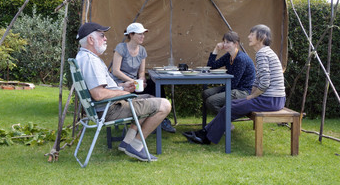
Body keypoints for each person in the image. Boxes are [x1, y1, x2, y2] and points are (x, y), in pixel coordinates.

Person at [75, 22, 171, 161]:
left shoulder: (83, 57)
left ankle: (127, 141)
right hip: (110, 109)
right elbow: (99, 94)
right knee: (165, 105)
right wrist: (123, 93)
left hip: (106, 106)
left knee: (147, 99)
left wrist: (122, 87)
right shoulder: (91, 61)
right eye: (102, 36)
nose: (106, 39)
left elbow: (102, 90)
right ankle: (136, 145)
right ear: (90, 40)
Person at [183, 24, 286, 145]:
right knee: (229, 105)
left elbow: (265, 82)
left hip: (270, 100)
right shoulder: (265, 52)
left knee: (229, 108)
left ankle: (206, 137)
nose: (248, 37)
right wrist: (251, 95)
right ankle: (204, 133)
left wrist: (251, 96)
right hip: (273, 99)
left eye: (252, 34)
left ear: (262, 37)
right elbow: (258, 80)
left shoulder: (262, 54)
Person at [110, 22, 176, 133]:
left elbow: (141, 72)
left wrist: (141, 79)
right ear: (131, 34)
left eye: (143, 34)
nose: (143, 36)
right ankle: (141, 123)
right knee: (144, 88)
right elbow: (116, 71)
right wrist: (133, 81)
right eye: (140, 34)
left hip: (134, 83)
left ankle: (161, 119)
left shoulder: (142, 50)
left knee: (154, 84)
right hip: (121, 84)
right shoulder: (121, 48)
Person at [204, 31, 255, 116]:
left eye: (228, 42)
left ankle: (226, 123)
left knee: (211, 101)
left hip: (243, 91)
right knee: (206, 93)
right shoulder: (228, 56)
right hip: (232, 86)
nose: (225, 44)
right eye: (224, 42)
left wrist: (218, 94)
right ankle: (221, 120)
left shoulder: (240, 59)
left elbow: (234, 83)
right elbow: (211, 66)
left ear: (236, 44)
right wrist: (216, 49)